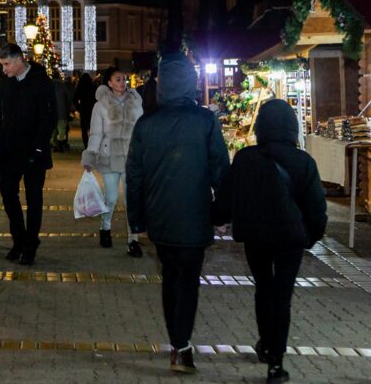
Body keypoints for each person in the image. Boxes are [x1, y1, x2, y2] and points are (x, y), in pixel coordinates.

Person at [125, 52, 230, 373]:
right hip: (196, 216)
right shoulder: (205, 120)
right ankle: (182, 343)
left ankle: (178, 344)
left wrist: (137, 220)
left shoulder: (146, 124)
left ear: (162, 85)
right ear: (190, 82)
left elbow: (135, 177)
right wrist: (223, 213)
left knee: (170, 278)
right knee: (189, 280)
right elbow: (221, 171)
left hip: (160, 217)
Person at [214, 99, 327, 383]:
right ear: (292, 127)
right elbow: (316, 209)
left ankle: (265, 342)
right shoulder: (303, 162)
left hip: (256, 237)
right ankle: (276, 361)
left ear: (262, 127)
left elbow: (226, 199)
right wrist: (310, 237)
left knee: (264, 287)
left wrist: (215, 218)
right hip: (290, 239)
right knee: (283, 296)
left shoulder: (245, 158)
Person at [0, 43, 57, 265]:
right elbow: (0, 112)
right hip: (9, 152)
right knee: (9, 196)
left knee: (34, 199)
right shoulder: (5, 82)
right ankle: (18, 239)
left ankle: (31, 244)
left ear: (20, 59)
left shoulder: (41, 81)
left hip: (34, 153)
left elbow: (49, 117)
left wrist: (39, 147)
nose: (4, 69)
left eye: (7, 64)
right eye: (2, 65)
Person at [82, 67, 144, 255]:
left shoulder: (135, 101)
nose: (122, 82)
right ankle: (105, 228)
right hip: (108, 156)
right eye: (118, 79)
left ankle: (133, 239)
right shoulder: (101, 105)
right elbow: (96, 133)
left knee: (131, 200)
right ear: (109, 82)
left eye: (124, 79)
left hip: (131, 157)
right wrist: (90, 155)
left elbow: (142, 130)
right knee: (110, 198)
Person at [52, 74, 74, 152]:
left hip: (52, 112)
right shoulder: (63, 87)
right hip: (62, 112)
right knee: (62, 129)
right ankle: (61, 143)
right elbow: (67, 100)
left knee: (53, 129)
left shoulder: (49, 87)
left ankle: (54, 144)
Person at [74, 73, 96, 149]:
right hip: (92, 109)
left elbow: (75, 99)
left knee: (84, 129)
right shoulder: (92, 86)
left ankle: (86, 145)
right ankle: (92, 144)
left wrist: (78, 108)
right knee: (92, 128)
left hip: (83, 109)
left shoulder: (80, 86)